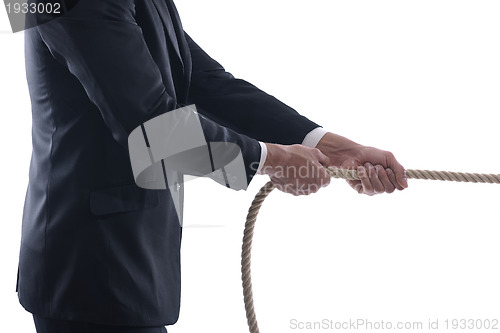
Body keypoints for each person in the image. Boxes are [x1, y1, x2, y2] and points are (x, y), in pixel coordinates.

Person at [18, 0, 408, 332]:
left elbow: (204, 83)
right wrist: (273, 159)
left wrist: (330, 146)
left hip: (128, 265)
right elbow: (152, 128)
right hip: (89, 272)